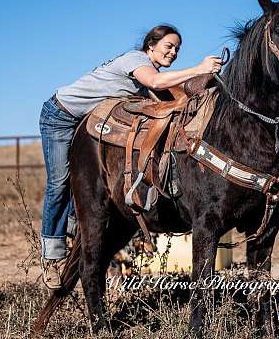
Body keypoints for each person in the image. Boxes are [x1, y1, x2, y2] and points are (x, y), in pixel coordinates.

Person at [39, 25, 222, 289]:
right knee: (59, 182)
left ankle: (70, 235)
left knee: (79, 181)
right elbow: (157, 83)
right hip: (60, 115)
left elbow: (170, 94)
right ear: (150, 45)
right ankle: (52, 256)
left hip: (81, 119)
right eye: (168, 46)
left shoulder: (147, 73)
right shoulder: (137, 62)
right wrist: (199, 68)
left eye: (177, 49)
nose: (173, 53)